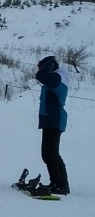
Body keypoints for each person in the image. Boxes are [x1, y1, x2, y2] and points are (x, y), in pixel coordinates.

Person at [36, 55, 70, 194]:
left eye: (41, 66)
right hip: (49, 119)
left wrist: (47, 65)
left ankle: (62, 185)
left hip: (55, 119)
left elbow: (41, 76)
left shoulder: (59, 77)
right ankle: (55, 182)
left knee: (51, 153)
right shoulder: (56, 78)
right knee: (47, 153)